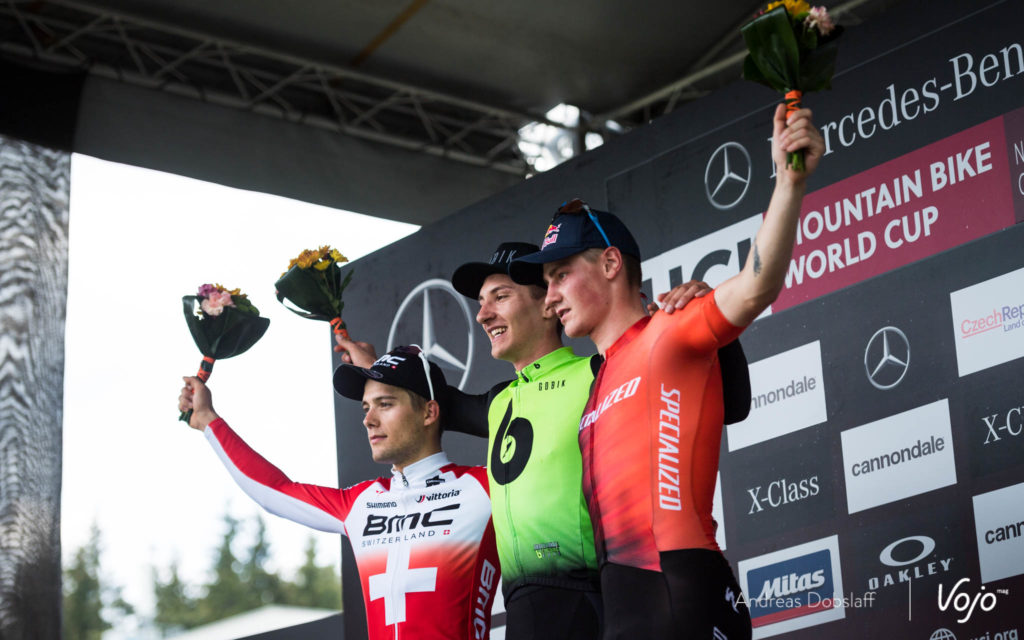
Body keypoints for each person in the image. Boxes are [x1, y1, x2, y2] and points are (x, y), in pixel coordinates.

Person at [508, 104, 825, 639]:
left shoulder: (669, 330)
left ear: (611, 264)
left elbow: (756, 286)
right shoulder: (597, 378)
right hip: (625, 612)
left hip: (684, 596)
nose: (550, 297)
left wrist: (788, 184)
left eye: (560, 275)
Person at [337, 243, 748, 640]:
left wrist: (716, 329)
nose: (483, 314)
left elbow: (732, 405)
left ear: (549, 304)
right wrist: (376, 369)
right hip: (523, 609)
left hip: (592, 597)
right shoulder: (499, 402)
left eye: (501, 297)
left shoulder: (601, 372)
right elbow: (424, 403)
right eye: (481, 302)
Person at [177, 345, 499, 640]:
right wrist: (207, 420)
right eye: (366, 407)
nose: (368, 420)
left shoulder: (486, 487)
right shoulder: (362, 503)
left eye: (385, 404)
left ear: (429, 412)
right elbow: (274, 489)